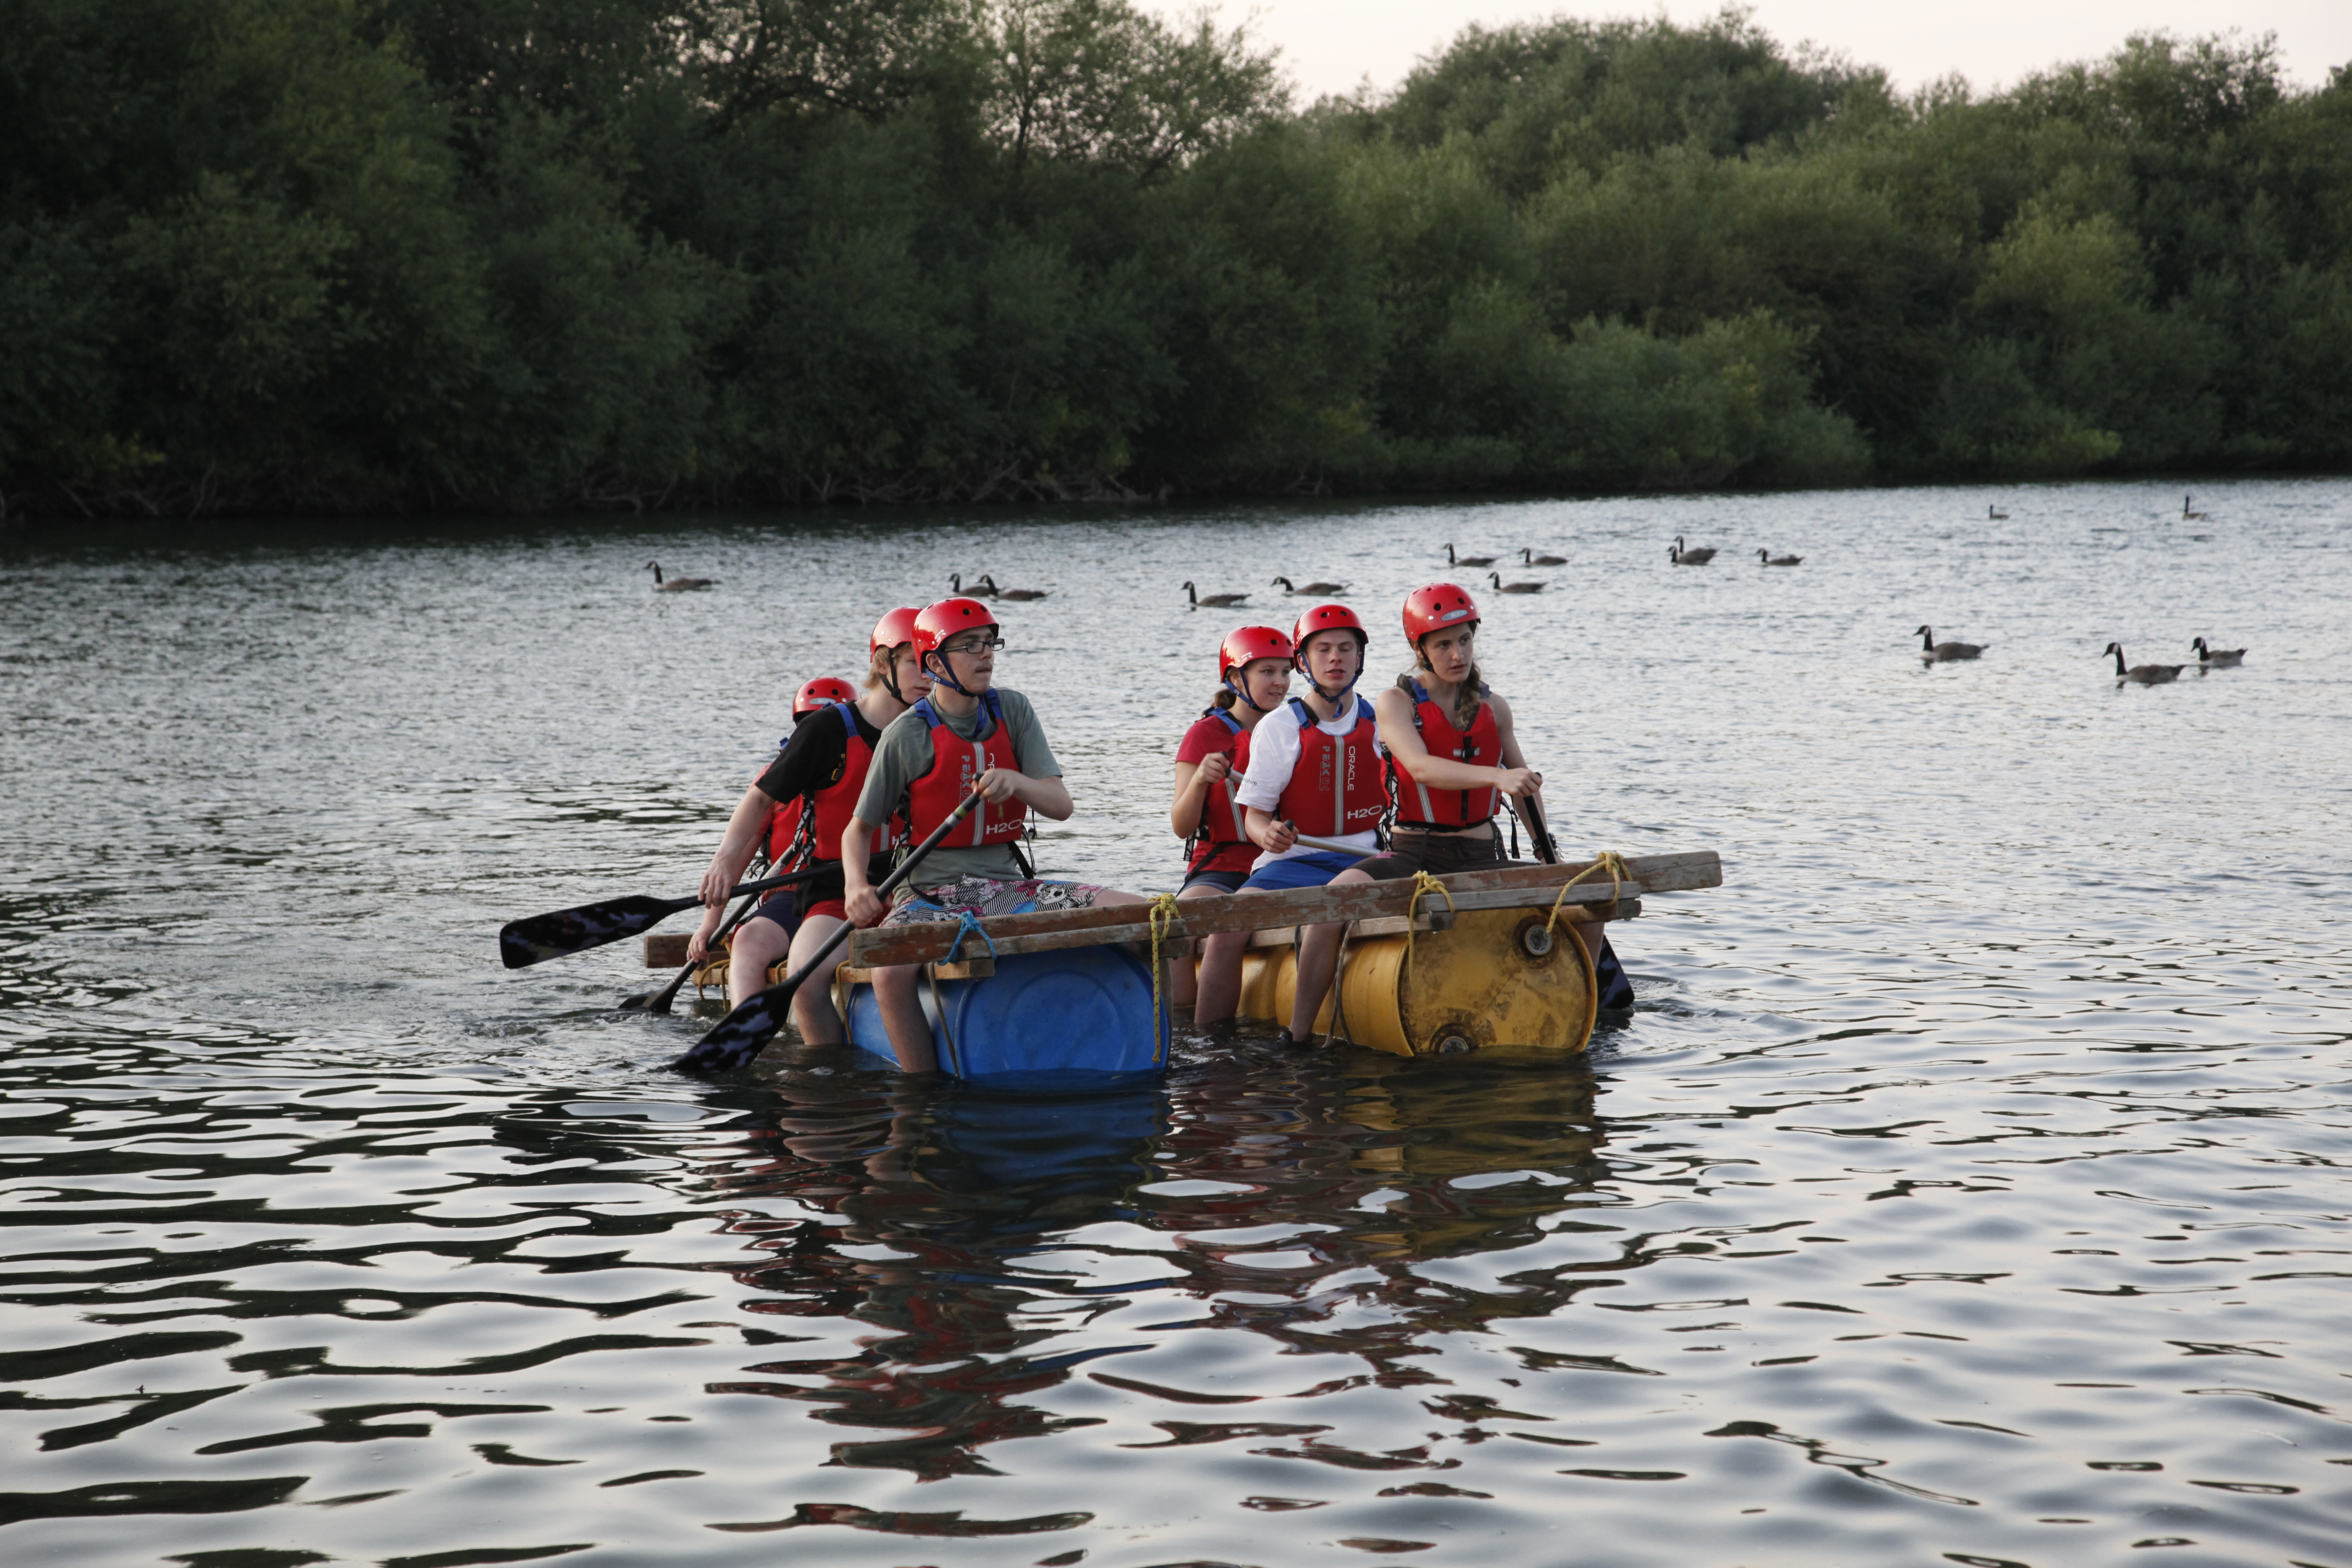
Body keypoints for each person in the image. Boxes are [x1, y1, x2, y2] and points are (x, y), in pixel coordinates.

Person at [841, 596, 1149, 1072]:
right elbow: (857, 831)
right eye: (969, 646)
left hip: (1007, 891)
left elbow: (1061, 806)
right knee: (888, 971)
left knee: (1143, 916)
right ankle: (920, 1092)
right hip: (930, 897)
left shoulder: (1014, 710)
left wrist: (1019, 781)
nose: (985, 655)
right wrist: (856, 886)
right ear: (934, 663)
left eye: (989, 643)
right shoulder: (906, 734)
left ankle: (1143, 1044)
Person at [1367, 581, 1632, 1008]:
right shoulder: (1395, 703)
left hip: (1482, 854)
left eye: (1466, 640)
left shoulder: (1497, 708)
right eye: (1444, 645)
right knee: (1335, 901)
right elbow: (1419, 767)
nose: (1458, 655)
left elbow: (1523, 785)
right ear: (1420, 650)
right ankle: (1300, 1038)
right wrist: (1496, 777)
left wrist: (1548, 853)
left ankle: (1581, 1004)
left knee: (1592, 892)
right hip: (1411, 855)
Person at [690, 609, 930, 1038]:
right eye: (915, 662)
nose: (929, 676)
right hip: (834, 888)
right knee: (804, 976)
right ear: (881, 664)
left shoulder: (933, 724)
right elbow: (762, 796)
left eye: (934, 662)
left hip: (915, 884)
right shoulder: (827, 730)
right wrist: (725, 861)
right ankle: (823, 1074)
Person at [1192, 602, 1387, 1043]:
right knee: (1227, 925)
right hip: (1293, 862)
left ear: (1360, 658)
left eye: (1345, 649)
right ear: (1304, 662)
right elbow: (1256, 818)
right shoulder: (1280, 727)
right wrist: (1270, 836)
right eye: (1323, 650)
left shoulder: (1382, 722)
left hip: (1366, 860)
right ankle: (1210, 1046)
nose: (1335, 658)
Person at [1166, 626, 1294, 1006]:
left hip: (1279, 864)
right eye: (1267, 672)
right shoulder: (1204, 735)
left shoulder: (1297, 727)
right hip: (1221, 864)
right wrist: (1200, 782)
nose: (1280, 683)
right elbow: (1181, 826)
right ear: (1237, 678)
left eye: (1286, 672)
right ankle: (1185, 1026)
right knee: (1176, 922)